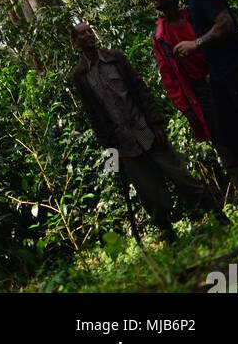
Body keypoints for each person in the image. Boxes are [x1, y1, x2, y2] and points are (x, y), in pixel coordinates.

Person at [71, 21, 225, 235]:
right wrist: (111, 152)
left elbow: (139, 89)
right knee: (150, 195)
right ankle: (168, 236)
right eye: (82, 34)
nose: (88, 35)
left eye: (89, 31)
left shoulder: (115, 58)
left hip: (147, 131)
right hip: (125, 145)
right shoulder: (80, 75)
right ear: (76, 42)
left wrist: (156, 123)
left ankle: (219, 217)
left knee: (182, 178)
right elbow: (93, 114)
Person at [151, 0, 238, 198]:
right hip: (220, 82)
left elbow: (225, 24)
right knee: (231, 140)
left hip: (236, 73)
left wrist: (196, 44)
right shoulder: (189, 0)